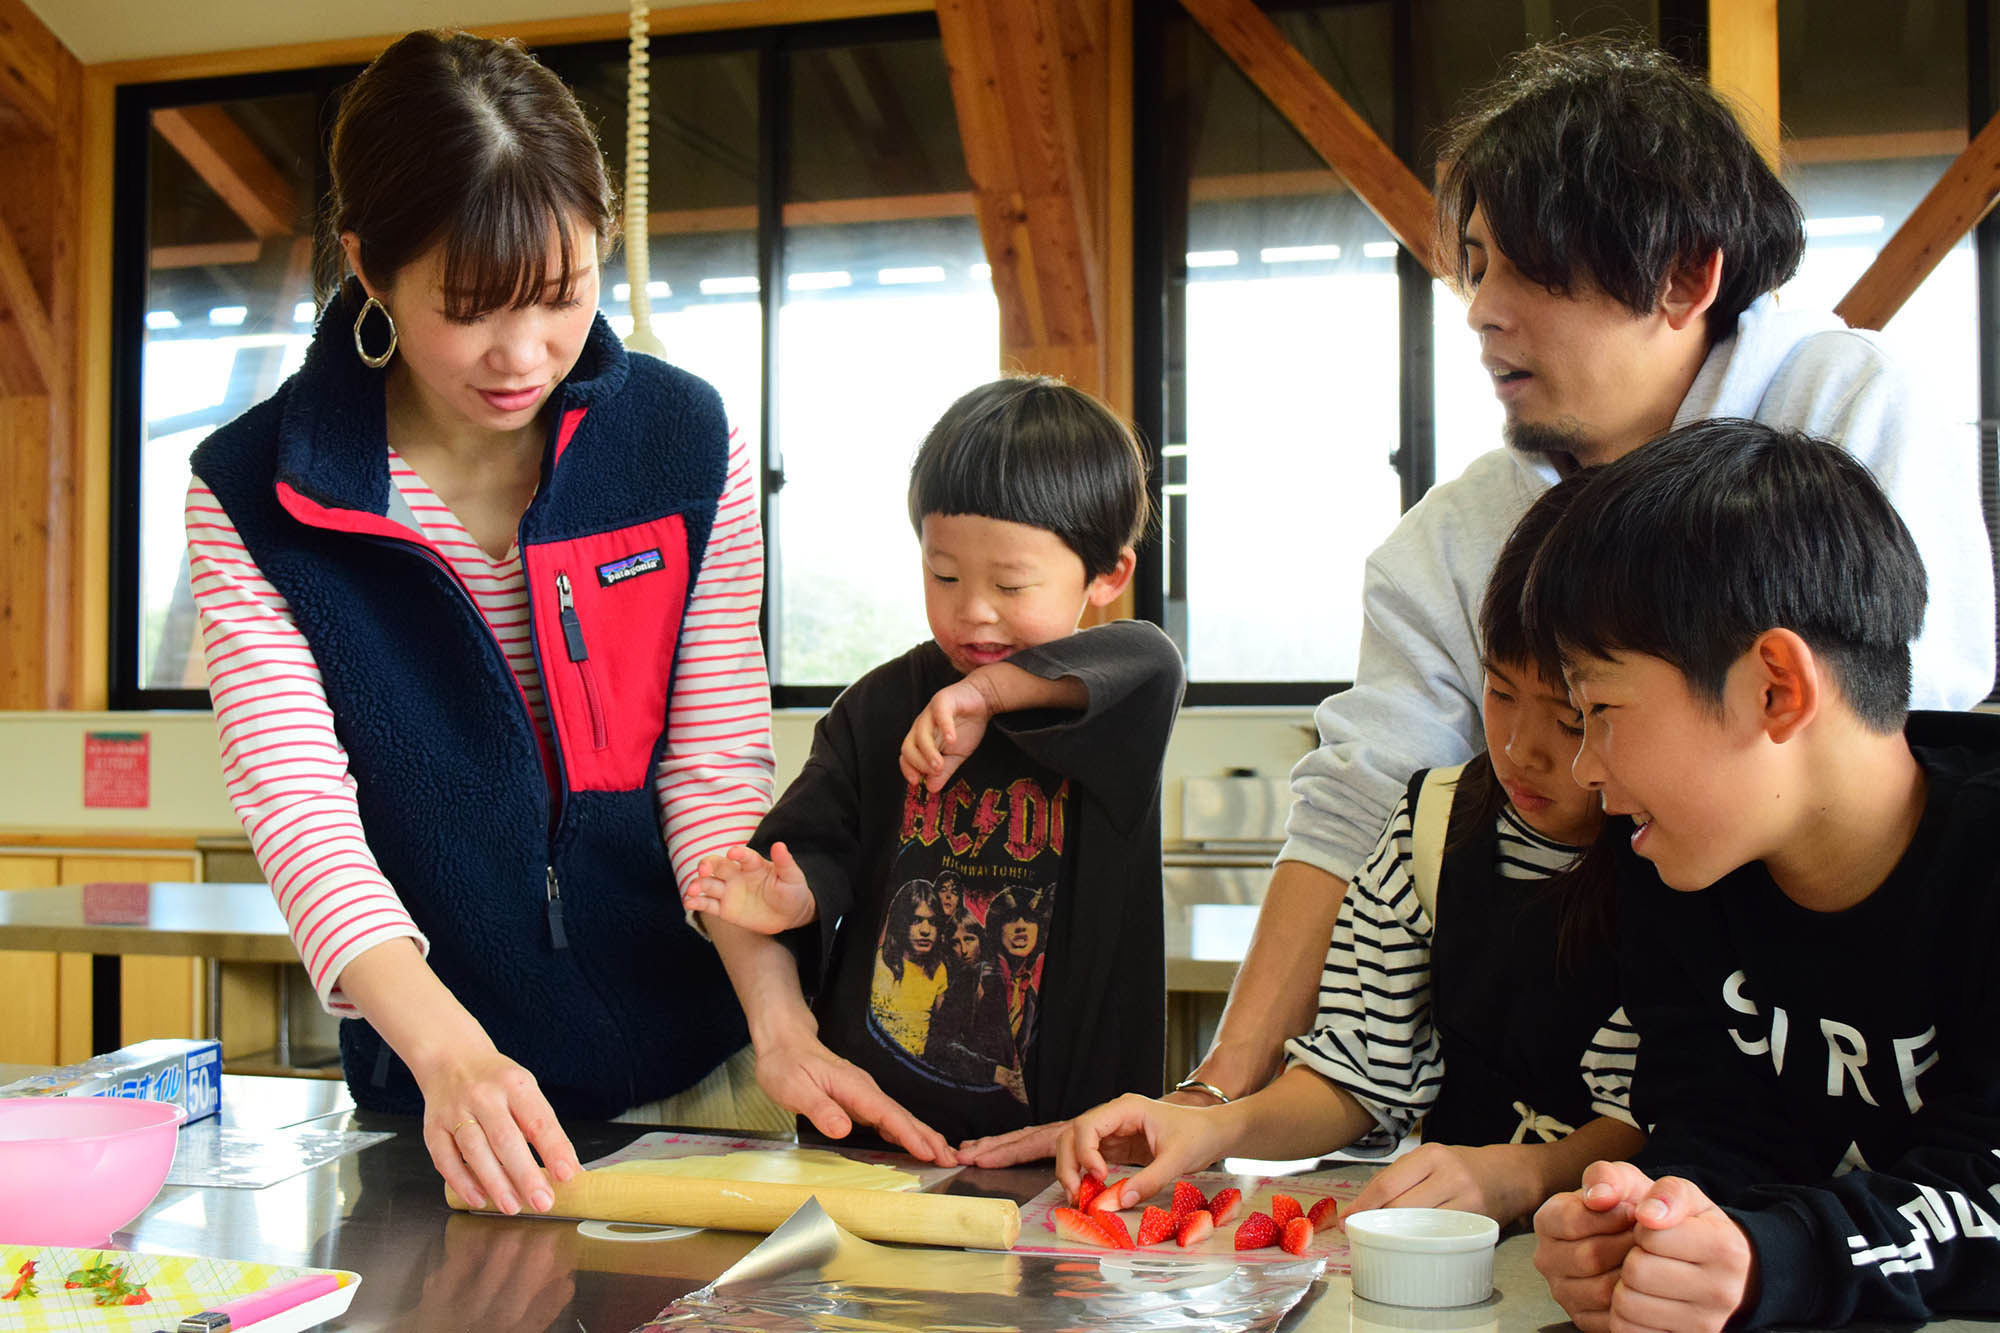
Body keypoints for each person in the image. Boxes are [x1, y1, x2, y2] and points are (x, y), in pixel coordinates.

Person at [1174, 35, 1995, 1120]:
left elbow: (1895, 731)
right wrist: (1216, 1085)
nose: (1480, 308)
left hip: (1847, 1051)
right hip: (1583, 1087)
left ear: (1684, 276)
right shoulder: (1454, 540)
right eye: (1475, 265)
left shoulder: (1841, 408)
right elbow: (1356, 801)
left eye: (1531, 267)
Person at [184, 30, 781, 1219]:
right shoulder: (255, 493)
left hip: (707, 1071)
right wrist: (451, 1057)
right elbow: (302, 812)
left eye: (561, 296)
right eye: (467, 310)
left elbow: (712, 769)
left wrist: (782, 1019)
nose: (523, 355)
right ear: (368, 266)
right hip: (439, 1096)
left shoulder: (684, 441)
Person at [1056, 479, 1643, 1225]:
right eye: (1499, 693)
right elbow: (1361, 1073)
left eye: (1570, 719)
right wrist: (1214, 1125)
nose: (1521, 749)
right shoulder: (1428, 829)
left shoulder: (1673, 856)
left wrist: (1528, 1174)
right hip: (1449, 1236)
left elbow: (1661, 1111)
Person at [1523, 420, 2000, 1330]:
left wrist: (1781, 1259)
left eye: (1599, 709)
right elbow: (1718, 1126)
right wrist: (1656, 1224)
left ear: (1776, 687)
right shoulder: (1682, 870)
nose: (1586, 769)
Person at [683, 376, 1185, 1161]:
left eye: (1010, 584)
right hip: (875, 1134)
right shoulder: (877, 708)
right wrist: (798, 893)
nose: (972, 608)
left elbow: (1151, 656)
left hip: (1064, 1142)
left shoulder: (1116, 712)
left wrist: (984, 693)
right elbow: (815, 846)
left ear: (1107, 575)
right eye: (943, 573)